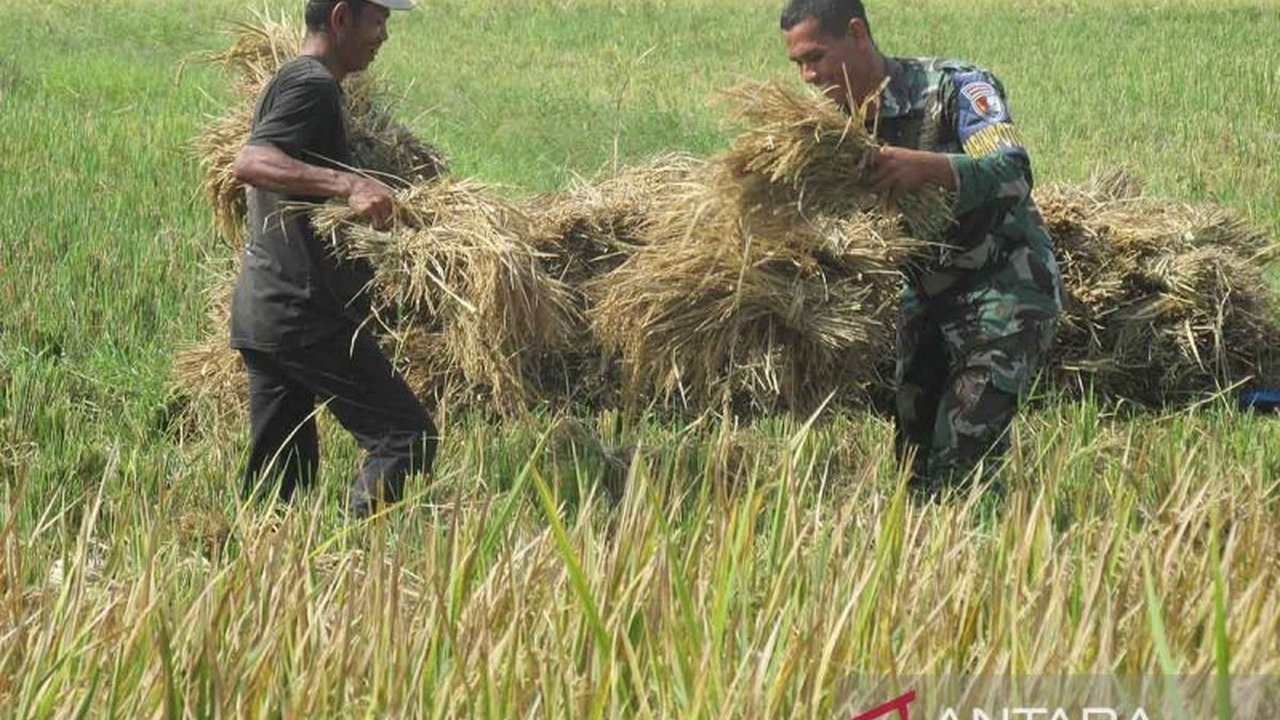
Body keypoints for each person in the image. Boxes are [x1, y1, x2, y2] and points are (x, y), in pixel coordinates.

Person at [780, 0, 1062, 495]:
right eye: (798, 64)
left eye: (816, 57)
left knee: (963, 457)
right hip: (925, 296)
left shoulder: (954, 87)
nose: (808, 76)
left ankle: (988, 537)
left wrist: (929, 168)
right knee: (915, 461)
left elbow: (1014, 172)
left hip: (1004, 287)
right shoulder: (830, 130)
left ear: (857, 33)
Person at [230, 0, 436, 517]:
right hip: (304, 311)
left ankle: (265, 561)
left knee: (280, 485)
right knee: (406, 437)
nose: (384, 34)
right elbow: (252, 161)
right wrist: (349, 184)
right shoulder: (313, 85)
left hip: (265, 306)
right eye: (378, 19)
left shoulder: (293, 77)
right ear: (342, 18)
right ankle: (354, 545)